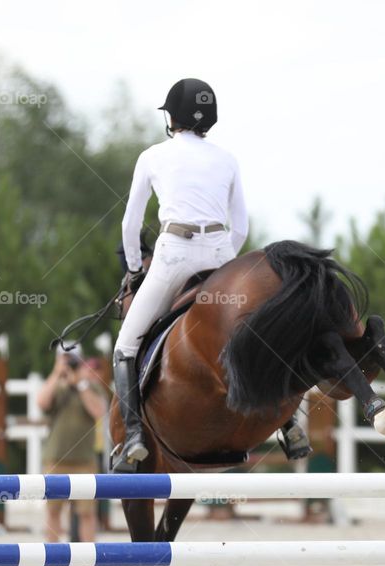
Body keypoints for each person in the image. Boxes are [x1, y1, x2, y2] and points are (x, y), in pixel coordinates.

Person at [111, 78, 249, 473]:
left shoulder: (153, 155)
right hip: (221, 253)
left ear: (171, 117)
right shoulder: (228, 159)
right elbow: (240, 226)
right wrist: (224, 268)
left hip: (174, 255)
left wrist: (136, 270)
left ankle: (134, 435)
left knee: (125, 345)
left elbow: (129, 224)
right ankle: (289, 423)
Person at [37, 346, 106, 566]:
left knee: (87, 513)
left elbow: (98, 411)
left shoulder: (91, 385)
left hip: (84, 460)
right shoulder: (56, 385)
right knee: (53, 512)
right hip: (56, 458)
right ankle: (51, 562)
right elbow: (42, 402)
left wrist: (81, 383)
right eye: (67, 359)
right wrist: (58, 374)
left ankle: (89, 563)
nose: (71, 364)